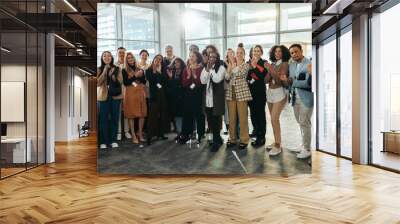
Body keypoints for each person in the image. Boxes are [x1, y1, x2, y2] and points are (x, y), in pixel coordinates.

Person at [286, 44, 313, 159]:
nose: (294, 54)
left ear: (301, 51)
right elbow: (291, 80)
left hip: (306, 98)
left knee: (304, 123)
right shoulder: (292, 65)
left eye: (296, 52)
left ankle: (307, 149)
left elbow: (308, 83)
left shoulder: (309, 64)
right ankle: (303, 145)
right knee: (300, 122)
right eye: (292, 53)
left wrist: (293, 82)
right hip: (294, 98)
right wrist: (288, 81)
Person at [263, 45, 290, 156]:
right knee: (273, 120)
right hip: (270, 94)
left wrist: (270, 69)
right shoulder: (273, 64)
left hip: (279, 93)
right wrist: (271, 70)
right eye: (275, 52)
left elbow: (279, 81)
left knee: (274, 119)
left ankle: (278, 146)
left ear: (283, 53)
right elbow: (266, 80)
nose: (277, 53)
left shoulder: (284, 64)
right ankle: (276, 141)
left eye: (279, 51)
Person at [225, 43, 252, 150]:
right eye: (237, 52)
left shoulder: (246, 65)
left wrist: (231, 64)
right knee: (231, 118)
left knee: (243, 118)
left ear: (244, 55)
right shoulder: (232, 64)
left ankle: (244, 140)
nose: (239, 54)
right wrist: (230, 65)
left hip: (241, 93)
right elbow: (227, 77)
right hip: (231, 93)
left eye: (241, 53)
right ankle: (232, 139)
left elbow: (239, 74)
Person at [97, 51, 123, 149]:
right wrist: (104, 71)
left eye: (109, 56)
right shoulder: (99, 69)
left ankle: (113, 140)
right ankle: (103, 141)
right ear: (102, 58)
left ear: (111, 58)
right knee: (103, 120)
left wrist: (114, 77)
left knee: (114, 119)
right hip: (103, 97)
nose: (107, 57)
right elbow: (98, 83)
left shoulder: (117, 68)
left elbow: (121, 81)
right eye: (104, 56)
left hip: (115, 97)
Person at [200, 51, 226, 152]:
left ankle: (216, 142)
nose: (212, 59)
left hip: (216, 99)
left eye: (214, 57)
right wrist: (207, 69)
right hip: (207, 99)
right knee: (210, 121)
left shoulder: (221, 68)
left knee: (216, 121)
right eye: (210, 57)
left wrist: (210, 70)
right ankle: (218, 139)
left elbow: (216, 79)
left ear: (217, 58)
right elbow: (202, 80)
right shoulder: (206, 68)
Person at [178, 51, 205, 144]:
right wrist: (189, 75)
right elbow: (184, 83)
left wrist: (194, 74)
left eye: (193, 56)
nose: (191, 58)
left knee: (199, 114)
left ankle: (201, 134)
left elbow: (201, 83)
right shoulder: (186, 69)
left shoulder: (201, 68)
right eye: (190, 56)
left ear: (197, 57)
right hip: (188, 94)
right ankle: (186, 134)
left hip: (198, 93)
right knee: (187, 114)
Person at [122, 52, 147, 144]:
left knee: (142, 114)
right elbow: (126, 83)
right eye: (128, 58)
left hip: (140, 92)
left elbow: (144, 81)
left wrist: (140, 76)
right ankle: (133, 135)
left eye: (131, 57)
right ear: (126, 60)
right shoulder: (124, 70)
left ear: (134, 58)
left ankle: (140, 133)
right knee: (131, 115)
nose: (130, 59)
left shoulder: (140, 68)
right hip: (130, 93)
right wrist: (135, 76)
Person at [247, 45, 268, 147]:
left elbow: (263, 76)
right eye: (254, 50)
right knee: (253, 114)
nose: (255, 52)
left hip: (260, 93)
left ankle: (261, 137)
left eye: (258, 51)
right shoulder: (248, 62)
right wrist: (254, 73)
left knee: (260, 115)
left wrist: (255, 67)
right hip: (250, 93)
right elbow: (247, 76)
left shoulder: (264, 63)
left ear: (261, 52)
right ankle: (255, 130)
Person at [145, 54, 169, 145]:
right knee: (152, 116)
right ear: (153, 59)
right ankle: (149, 137)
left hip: (162, 95)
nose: (158, 61)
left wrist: (162, 73)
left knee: (162, 115)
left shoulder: (162, 70)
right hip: (154, 95)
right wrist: (155, 71)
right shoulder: (148, 70)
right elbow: (151, 81)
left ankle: (161, 134)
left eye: (160, 60)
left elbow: (164, 82)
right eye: (157, 59)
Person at [165, 57, 186, 139]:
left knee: (183, 116)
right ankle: (179, 133)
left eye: (178, 62)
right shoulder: (172, 72)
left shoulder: (184, 71)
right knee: (176, 116)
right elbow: (171, 85)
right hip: (174, 98)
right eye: (175, 63)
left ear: (181, 63)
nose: (176, 64)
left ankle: (184, 133)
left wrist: (175, 82)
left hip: (183, 97)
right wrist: (170, 77)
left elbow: (183, 84)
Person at [115, 47, 131, 141]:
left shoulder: (128, 64)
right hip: (117, 91)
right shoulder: (114, 64)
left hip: (127, 91)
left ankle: (126, 131)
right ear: (117, 53)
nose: (122, 54)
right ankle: (119, 132)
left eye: (123, 53)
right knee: (118, 113)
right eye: (120, 53)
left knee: (126, 112)